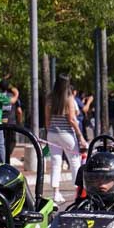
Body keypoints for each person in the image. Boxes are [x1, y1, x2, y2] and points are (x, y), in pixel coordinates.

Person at [46, 74, 87, 203]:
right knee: (75, 162)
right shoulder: (68, 98)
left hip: (52, 133)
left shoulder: (49, 98)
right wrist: (80, 136)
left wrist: (50, 131)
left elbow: (47, 120)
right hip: (67, 134)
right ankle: (78, 191)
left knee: (55, 163)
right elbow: (72, 119)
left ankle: (56, 193)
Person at [0, 79, 23, 163]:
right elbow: (19, 111)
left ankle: (3, 157)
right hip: (11, 122)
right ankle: (6, 157)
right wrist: (20, 122)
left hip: (0, 122)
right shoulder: (13, 97)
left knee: (2, 141)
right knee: (12, 141)